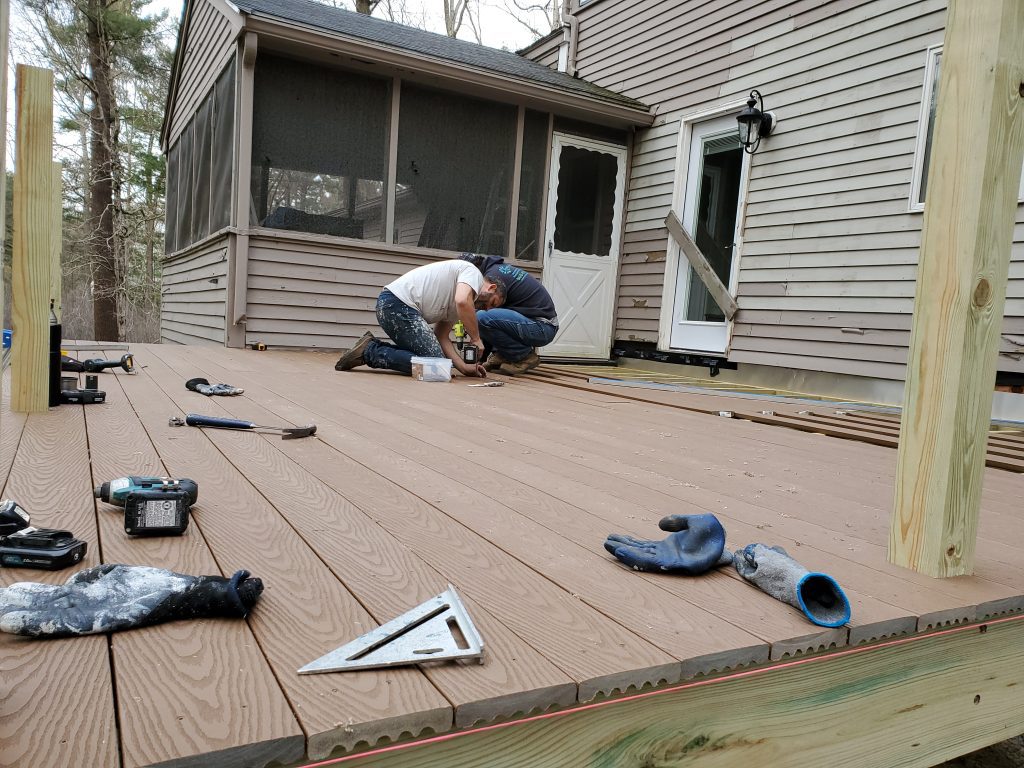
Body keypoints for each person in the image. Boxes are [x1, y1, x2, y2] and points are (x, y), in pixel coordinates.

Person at [334, 259, 505, 377]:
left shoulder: (461, 297)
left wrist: (463, 367)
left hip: (393, 306)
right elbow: (462, 301)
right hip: (396, 304)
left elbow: (441, 337)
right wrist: (476, 339)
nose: (488, 309)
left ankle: (370, 349)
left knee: (440, 366)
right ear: (491, 287)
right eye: (493, 303)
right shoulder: (472, 273)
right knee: (436, 366)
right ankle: (370, 351)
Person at [459, 253, 558, 375]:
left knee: (481, 317)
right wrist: (482, 359)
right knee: (484, 316)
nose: (489, 308)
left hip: (543, 326)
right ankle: (504, 355)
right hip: (535, 324)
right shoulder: (493, 273)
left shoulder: (493, 278)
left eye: (493, 303)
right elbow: (496, 323)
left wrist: (481, 355)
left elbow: (487, 320)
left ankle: (524, 356)